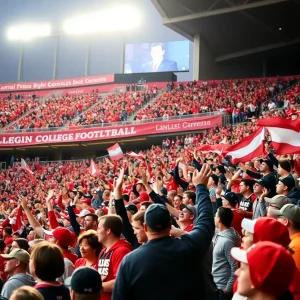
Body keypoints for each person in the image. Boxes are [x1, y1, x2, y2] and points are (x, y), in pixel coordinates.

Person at [113, 164, 215, 300]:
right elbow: (206, 220)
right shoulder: (191, 245)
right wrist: (201, 187)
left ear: (145, 227)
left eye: (136, 228)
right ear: (170, 225)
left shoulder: (130, 262)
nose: (135, 232)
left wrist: (117, 192)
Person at [97, 215, 132, 300]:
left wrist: (94, 285)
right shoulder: (103, 251)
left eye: (99, 228)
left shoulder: (121, 251)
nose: (96, 231)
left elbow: (120, 282)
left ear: (108, 230)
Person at [213, 207, 240, 300]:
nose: (214, 217)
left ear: (219, 220)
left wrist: (228, 288)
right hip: (215, 285)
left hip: (222, 289)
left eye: (216, 215)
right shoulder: (219, 233)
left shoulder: (227, 241)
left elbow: (235, 266)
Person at [270, 204, 300, 271]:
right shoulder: (293, 241)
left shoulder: (295, 246)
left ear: (286, 222)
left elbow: (294, 278)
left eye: (278, 217)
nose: (276, 220)